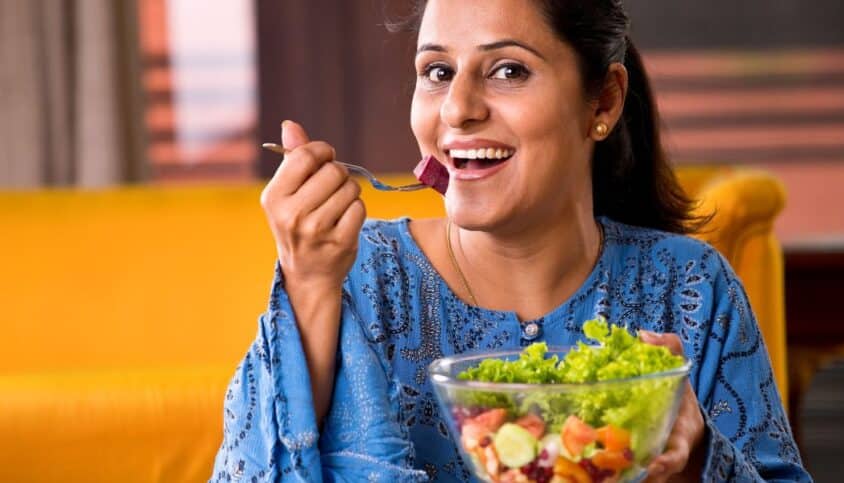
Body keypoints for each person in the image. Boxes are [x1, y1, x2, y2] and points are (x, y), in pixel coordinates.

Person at [210, 0, 812, 481]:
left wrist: (695, 458)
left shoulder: (691, 288)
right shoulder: (355, 275)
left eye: (508, 71)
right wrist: (311, 286)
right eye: (438, 72)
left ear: (602, 101)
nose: (458, 109)